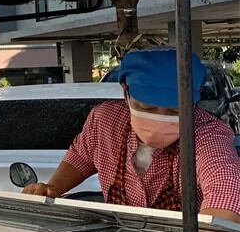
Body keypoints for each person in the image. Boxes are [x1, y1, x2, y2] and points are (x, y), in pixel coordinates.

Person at [23, 48, 240, 222]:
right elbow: (81, 156)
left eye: (174, 111)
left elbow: (225, 193)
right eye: (148, 107)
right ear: (126, 92)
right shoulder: (105, 121)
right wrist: (53, 188)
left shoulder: (207, 134)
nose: (159, 117)